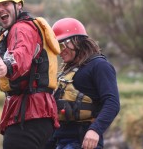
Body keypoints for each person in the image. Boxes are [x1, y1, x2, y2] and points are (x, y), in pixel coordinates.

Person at [0, 0, 60, 149]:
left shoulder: (21, 28)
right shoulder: (26, 27)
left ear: (18, 5)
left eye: (5, 4)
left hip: (28, 115)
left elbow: (21, 54)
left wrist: (7, 65)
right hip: (39, 113)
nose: (0, 9)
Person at [45, 18, 120, 149]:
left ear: (76, 41)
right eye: (56, 47)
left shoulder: (99, 66)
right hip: (60, 138)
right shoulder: (67, 69)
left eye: (61, 45)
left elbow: (112, 102)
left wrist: (95, 130)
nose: (59, 51)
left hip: (83, 141)